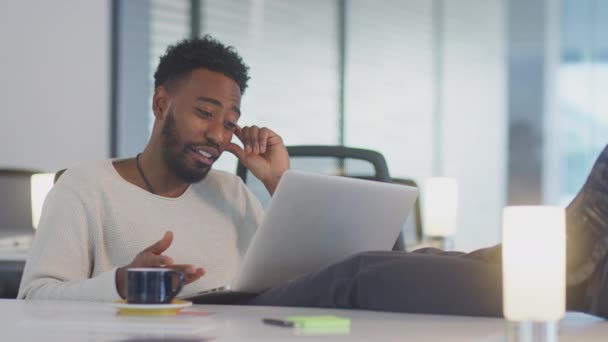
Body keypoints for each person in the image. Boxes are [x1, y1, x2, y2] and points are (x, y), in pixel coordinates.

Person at [18, 36, 608, 319]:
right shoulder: (87, 187)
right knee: (357, 276)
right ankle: (571, 278)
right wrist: (123, 281)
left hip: (252, 316)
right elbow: (33, 301)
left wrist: (280, 184)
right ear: (160, 103)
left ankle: (568, 256)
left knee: (407, 260)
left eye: (230, 122)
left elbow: (291, 264)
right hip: (212, 315)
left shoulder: (229, 190)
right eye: (204, 113)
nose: (220, 136)